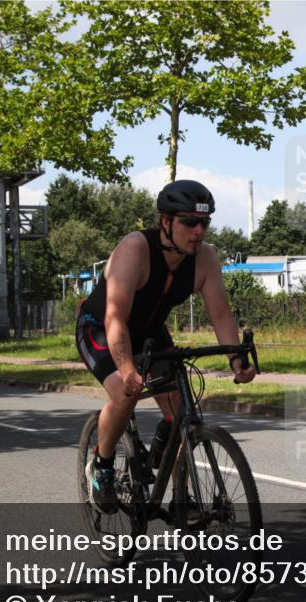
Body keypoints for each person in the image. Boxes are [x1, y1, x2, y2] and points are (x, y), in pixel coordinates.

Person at [76, 180, 256, 513]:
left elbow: (220, 314)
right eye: (189, 222)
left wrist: (236, 359)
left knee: (181, 409)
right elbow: (116, 319)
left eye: (205, 222)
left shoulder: (205, 259)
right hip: (102, 327)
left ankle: (180, 496)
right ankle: (102, 466)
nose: (198, 231)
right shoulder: (135, 249)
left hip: (149, 331)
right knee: (124, 392)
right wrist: (128, 368)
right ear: (165, 221)